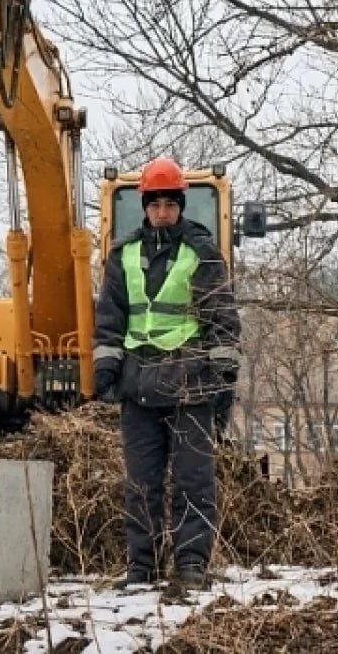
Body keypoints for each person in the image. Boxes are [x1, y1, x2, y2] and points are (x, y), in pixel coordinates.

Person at [92, 157, 241, 589]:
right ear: (146, 206)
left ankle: (191, 566)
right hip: (138, 383)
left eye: (169, 203)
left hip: (190, 382)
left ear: (180, 205)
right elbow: (110, 318)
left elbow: (222, 320)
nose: (162, 211)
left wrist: (221, 377)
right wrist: (106, 367)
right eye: (155, 203)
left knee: (194, 481)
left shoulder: (203, 254)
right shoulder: (124, 255)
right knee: (142, 483)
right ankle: (143, 567)